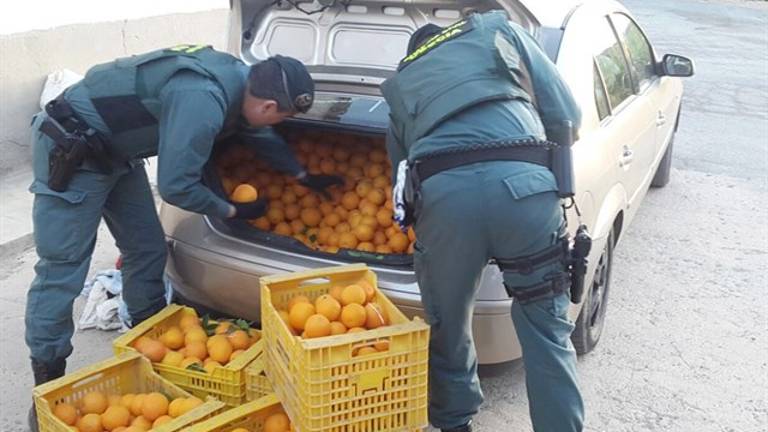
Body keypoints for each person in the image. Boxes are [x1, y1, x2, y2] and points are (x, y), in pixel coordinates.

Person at [25, 44, 341, 430]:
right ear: (269, 107)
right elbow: (176, 185)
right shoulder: (203, 98)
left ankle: (151, 344)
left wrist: (301, 175)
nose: (272, 125)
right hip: (71, 150)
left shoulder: (242, 83)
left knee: (147, 248)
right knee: (63, 269)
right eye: (279, 118)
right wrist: (230, 210)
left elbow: (257, 134)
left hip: (115, 153)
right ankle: (47, 383)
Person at [380, 12, 584, 432]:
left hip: (446, 201)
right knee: (546, 328)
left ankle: (455, 423)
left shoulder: (401, 86)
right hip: (526, 188)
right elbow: (567, 116)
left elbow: (401, 178)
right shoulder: (496, 29)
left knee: (448, 321)